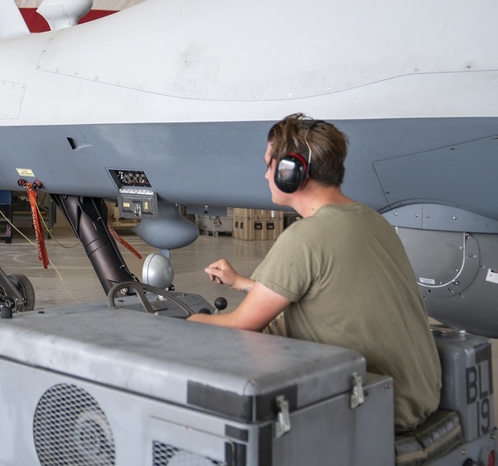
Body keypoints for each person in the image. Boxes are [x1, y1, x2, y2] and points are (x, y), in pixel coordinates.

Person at [187, 113, 441, 431]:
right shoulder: (370, 219)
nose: (265, 175)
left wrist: (185, 324)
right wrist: (240, 283)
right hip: (417, 395)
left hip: (381, 412)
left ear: (291, 172)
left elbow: (241, 326)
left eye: (270, 165)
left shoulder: (305, 237)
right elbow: (327, 293)